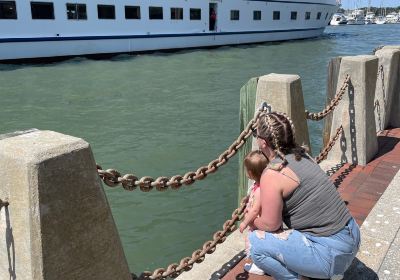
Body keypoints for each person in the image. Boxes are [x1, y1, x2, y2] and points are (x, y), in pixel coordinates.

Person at [247, 111, 360, 280]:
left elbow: (271, 225)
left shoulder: (273, 173)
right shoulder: (303, 155)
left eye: (256, 134)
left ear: (263, 142)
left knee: (256, 245)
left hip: (331, 255)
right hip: (352, 236)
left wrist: (250, 214)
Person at [239, 150, 269, 275]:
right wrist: (247, 200)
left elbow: (256, 209)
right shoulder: (259, 184)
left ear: (250, 173)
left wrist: (244, 222)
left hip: (257, 225)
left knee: (254, 243)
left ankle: (259, 266)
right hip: (258, 223)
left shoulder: (259, 190)